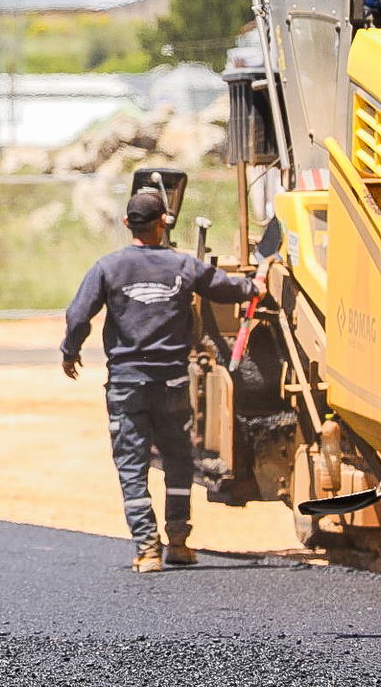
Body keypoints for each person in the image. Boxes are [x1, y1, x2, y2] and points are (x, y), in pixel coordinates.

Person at [60, 190, 262, 573]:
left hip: (127, 383)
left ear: (126, 223)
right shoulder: (183, 266)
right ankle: (180, 542)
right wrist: (256, 287)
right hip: (172, 383)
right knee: (179, 461)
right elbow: (224, 286)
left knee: (131, 464)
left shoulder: (108, 267)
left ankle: (148, 549)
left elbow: (77, 315)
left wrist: (71, 351)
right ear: (163, 222)